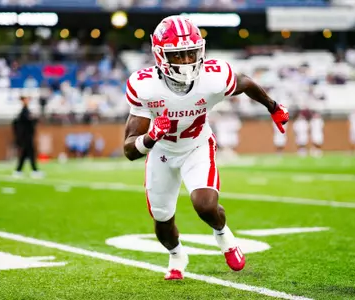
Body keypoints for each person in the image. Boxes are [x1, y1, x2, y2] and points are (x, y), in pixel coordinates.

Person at [123, 15, 289, 280]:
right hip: (163, 153)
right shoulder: (145, 86)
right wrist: (152, 136)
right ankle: (177, 254)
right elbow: (130, 150)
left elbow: (245, 82)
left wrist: (273, 106)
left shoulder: (213, 77)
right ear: (160, 55)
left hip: (197, 146)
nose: (188, 61)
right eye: (179, 55)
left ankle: (224, 236)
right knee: (163, 224)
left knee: (205, 204)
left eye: (191, 53)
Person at [13, 95, 42, 178]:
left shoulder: (26, 111)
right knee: (30, 153)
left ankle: (18, 171)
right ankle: (34, 170)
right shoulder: (24, 112)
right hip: (26, 136)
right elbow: (27, 122)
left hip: (27, 136)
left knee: (25, 154)